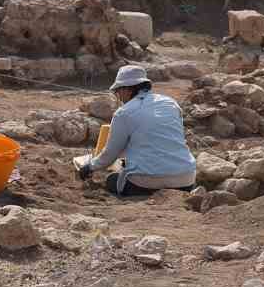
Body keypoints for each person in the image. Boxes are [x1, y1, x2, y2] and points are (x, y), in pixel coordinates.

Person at [77, 64, 196, 197]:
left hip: (146, 184)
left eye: (118, 91)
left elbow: (110, 155)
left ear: (127, 90)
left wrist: (90, 167)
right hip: (185, 180)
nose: (118, 96)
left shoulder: (124, 113)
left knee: (112, 180)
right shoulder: (170, 103)